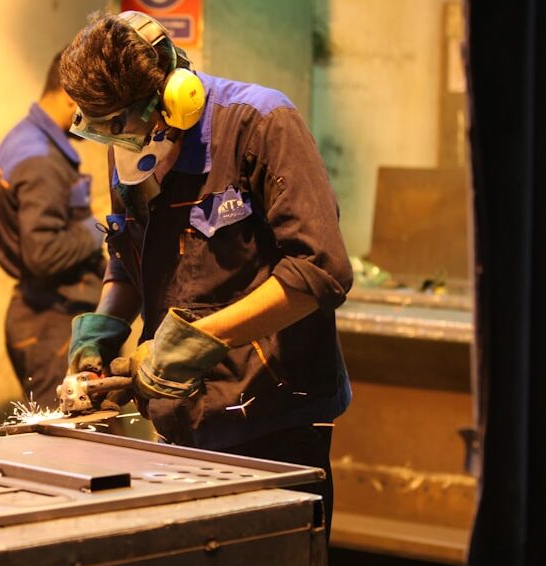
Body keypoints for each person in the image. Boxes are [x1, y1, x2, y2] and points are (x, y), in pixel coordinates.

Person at [59, 11, 353, 538]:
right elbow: (128, 255)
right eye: (101, 129)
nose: (117, 142)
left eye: (122, 125)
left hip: (273, 421)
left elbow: (321, 268)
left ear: (173, 97)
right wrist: (103, 331)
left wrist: (199, 341)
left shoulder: (260, 124)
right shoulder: (128, 145)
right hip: (181, 421)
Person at [0, 49, 106, 408]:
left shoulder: (27, 140)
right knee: (64, 452)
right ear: (72, 96)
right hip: (50, 325)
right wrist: (96, 229)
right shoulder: (40, 160)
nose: (103, 121)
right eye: (98, 106)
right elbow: (43, 253)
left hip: (42, 317)